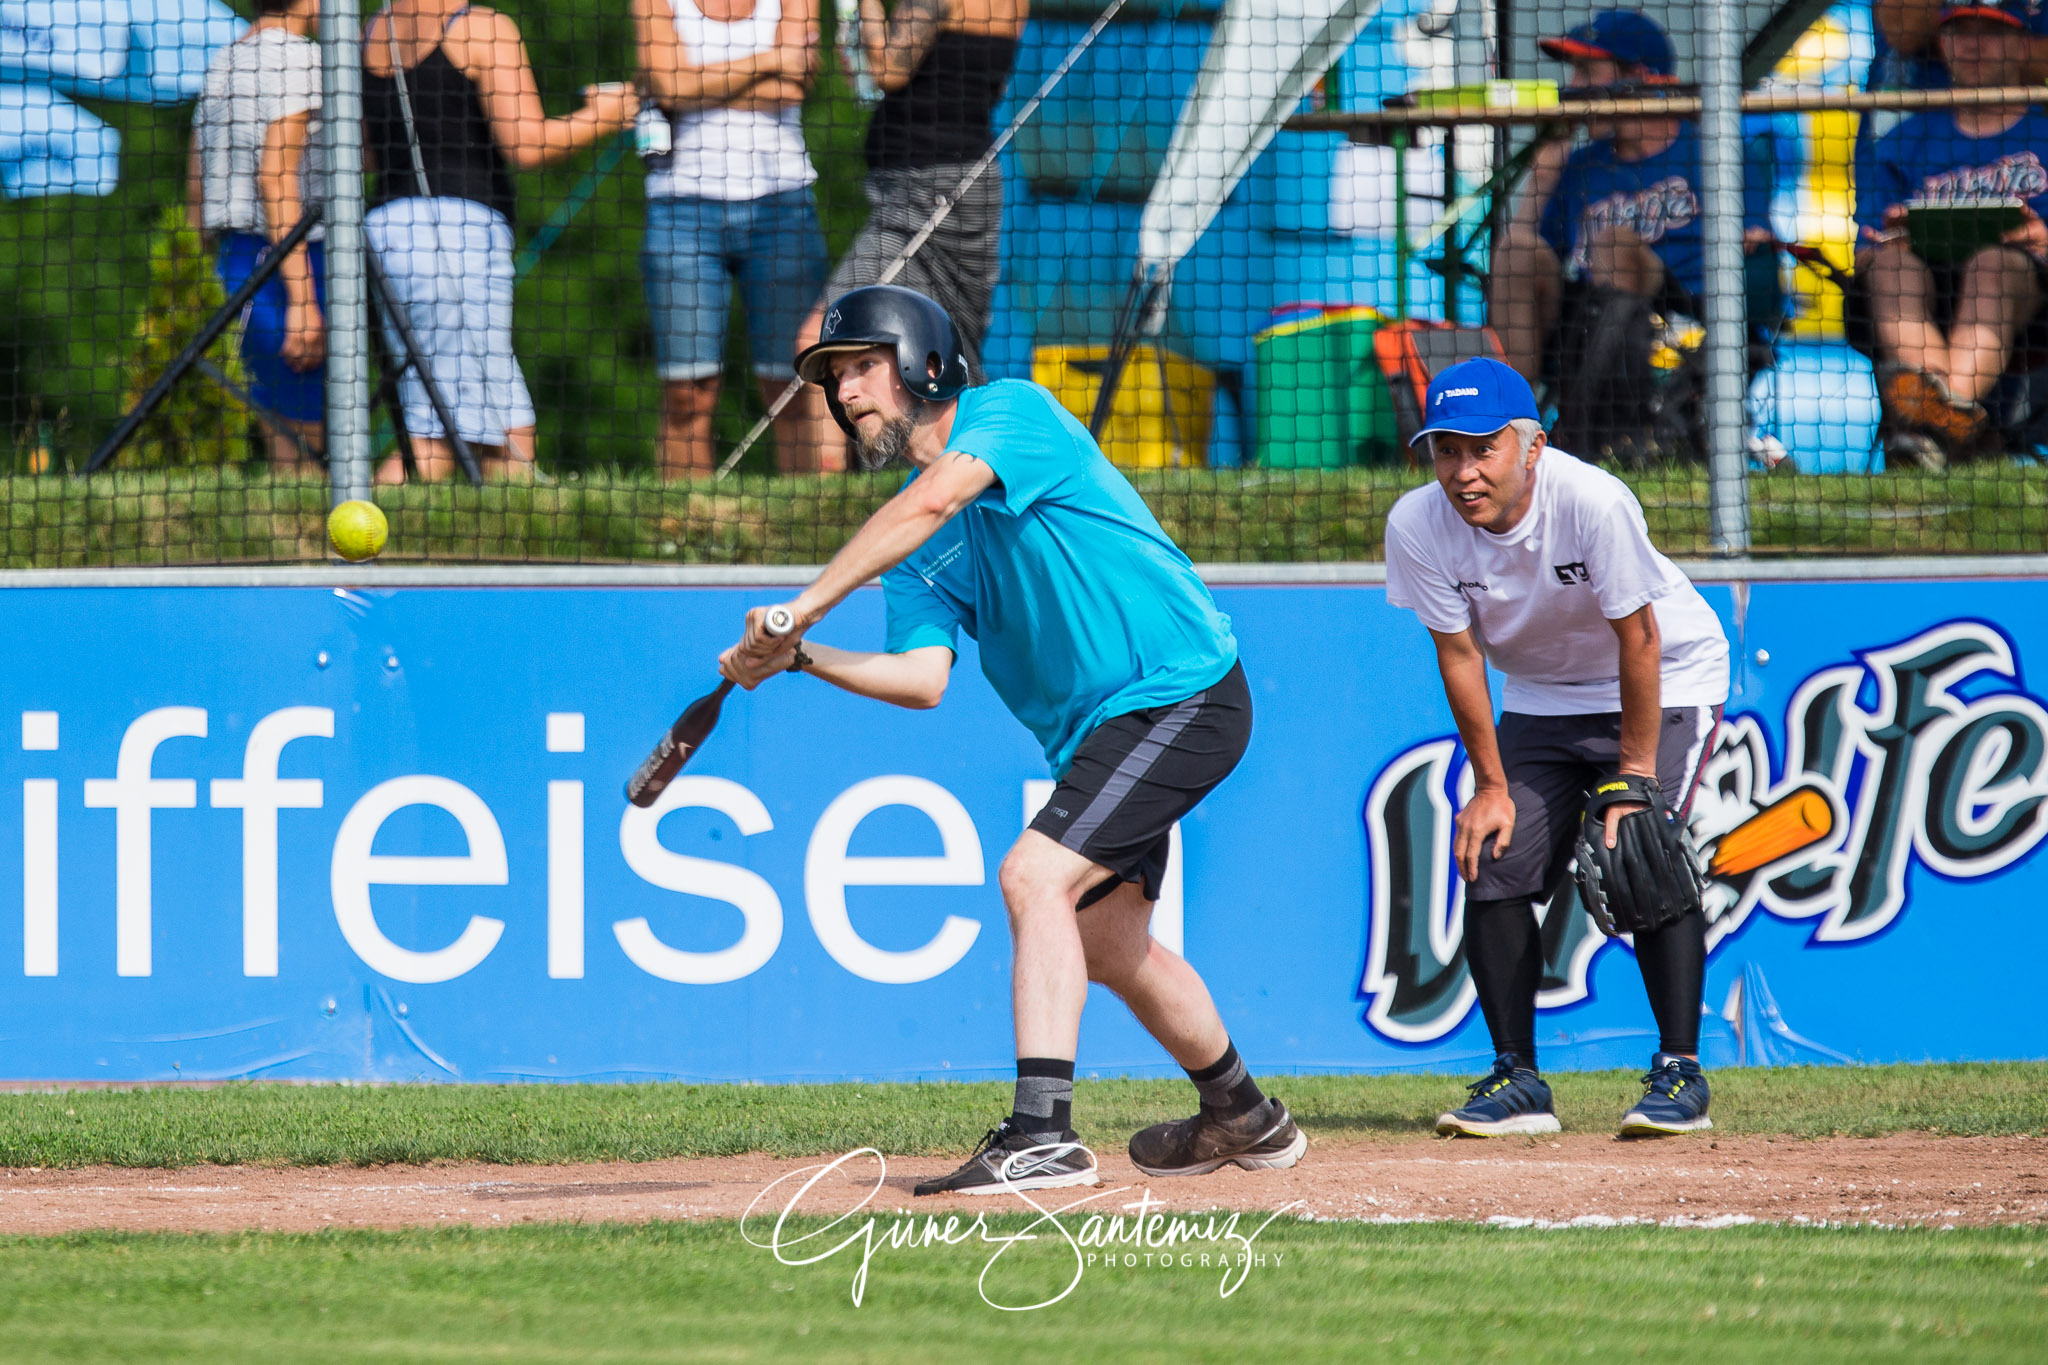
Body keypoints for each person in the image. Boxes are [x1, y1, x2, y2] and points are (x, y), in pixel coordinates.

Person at [718, 285, 1304, 1194]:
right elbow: (921, 678)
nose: (845, 393)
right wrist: (802, 657)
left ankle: (1042, 1135)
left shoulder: (1010, 414)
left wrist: (802, 603)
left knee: (1034, 875)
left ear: (921, 360)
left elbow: (933, 501)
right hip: (1106, 731)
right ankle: (1244, 1114)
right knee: (1106, 939)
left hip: (1179, 689)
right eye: (835, 379)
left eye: (862, 367)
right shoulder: (913, 544)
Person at [1381, 356, 1730, 1138]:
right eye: (1446, 450)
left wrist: (1634, 778)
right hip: (1541, 697)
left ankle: (1680, 1074)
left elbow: (1638, 637)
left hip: (1666, 676)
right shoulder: (1416, 524)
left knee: (1639, 852)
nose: (1463, 471)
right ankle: (1518, 1079)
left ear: (1532, 445)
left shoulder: (1592, 500)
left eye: (1484, 447)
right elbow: (1461, 655)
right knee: (1494, 856)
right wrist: (1491, 784)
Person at [363, 2, 637, 482]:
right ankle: (360, 540)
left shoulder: (371, 29)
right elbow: (526, 144)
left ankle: (514, 541)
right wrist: (606, 116)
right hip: (456, 239)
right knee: (438, 435)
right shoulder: (483, 28)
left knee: (509, 428)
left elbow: (367, 151)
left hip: (387, 232)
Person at [793, 0, 1025, 470]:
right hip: (939, 184)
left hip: (934, 194)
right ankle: (957, 478)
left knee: (822, 339)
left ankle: (822, 510)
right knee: (943, 351)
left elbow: (886, 69)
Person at [1489, 10, 1775, 388]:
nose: (1573, 87)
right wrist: (1543, 174)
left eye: (1587, 73)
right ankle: (1513, 423)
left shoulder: (1714, 151)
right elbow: (1531, 257)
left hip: (1684, 317)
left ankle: (1614, 421)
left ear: (1639, 78)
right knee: (1516, 250)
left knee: (1614, 243)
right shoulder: (1580, 165)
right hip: (1585, 320)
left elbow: (1758, 246)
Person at [635, 0, 836, 477]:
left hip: (783, 206)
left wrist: (694, 82)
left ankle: (807, 534)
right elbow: (669, 85)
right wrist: (769, 61)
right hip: (679, 208)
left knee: (792, 384)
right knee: (686, 392)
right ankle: (682, 540)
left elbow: (793, 88)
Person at [1852, 0, 2048, 464]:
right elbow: (1864, 251)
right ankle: (1947, 430)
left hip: (2026, 294)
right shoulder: (1904, 137)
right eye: (1960, 33)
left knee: (1991, 263)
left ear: (2023, 46)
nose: (1974, 45)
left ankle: (1927, 426)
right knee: (1890, 264)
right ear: (1941, 45)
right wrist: (1895, 236)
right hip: (1926, 287)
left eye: (1993, 33)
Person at [188, 0, 327, 471]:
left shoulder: (223, 61)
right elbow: (276, 178)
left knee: (281, 437)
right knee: (309, 442)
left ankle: (291, 538)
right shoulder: (300, 57)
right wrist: (304, 301)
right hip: (288, 258)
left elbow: (196, 184)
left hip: (234, 259)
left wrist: (188, 279)